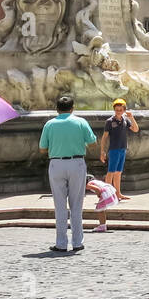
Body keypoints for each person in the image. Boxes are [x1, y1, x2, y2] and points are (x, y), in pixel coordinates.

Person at [38, 94, 97, 253]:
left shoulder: (49, 124)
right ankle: (77, 242)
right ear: (72, 108)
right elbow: (92, 143)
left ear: (57, 109)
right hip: (76, 162)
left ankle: (61, 243)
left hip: (56, 163)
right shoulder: (80, 122)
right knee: (77, 204)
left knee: (59, 205)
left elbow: (42, 148)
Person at [100, 98, 140, 201]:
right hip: (113, 150)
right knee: (111, 172)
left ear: (124, 110)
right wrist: (102, 151)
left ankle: (118, 193)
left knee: (118, 172)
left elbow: (135, 129)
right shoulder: (109, 121)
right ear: (114, 110)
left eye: (120, 110)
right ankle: (107, 195)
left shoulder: (125, 120)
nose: (118, 112)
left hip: (123, 149)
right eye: (117, 110)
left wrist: (132, 118)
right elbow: (104, 137)